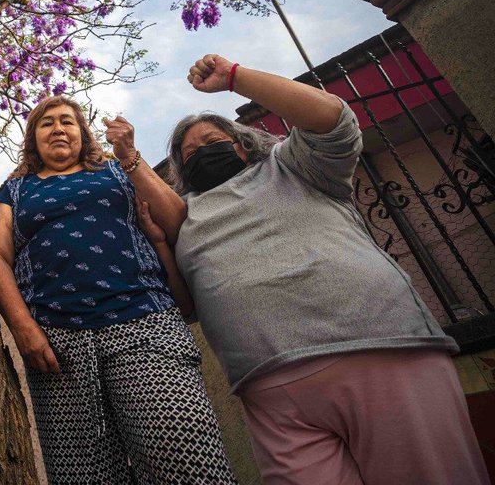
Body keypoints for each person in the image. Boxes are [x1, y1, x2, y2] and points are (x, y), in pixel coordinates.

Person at [160, 53, 487, 485]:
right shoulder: (187, 217)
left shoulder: (293, 167)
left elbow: (331, 118)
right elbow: (187, 301)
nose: (201, 153)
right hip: (269, 390)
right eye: (191, 154)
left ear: (240, 145)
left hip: (378, 348)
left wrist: (235, 77)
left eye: (210, 141)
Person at [0, 96, 234, 484]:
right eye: (46, 123)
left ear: (83, 134)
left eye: (67, 121)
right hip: (56, 346)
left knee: (186, 459)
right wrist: (22, 328)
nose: (57, 128)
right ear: (33, 139)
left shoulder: (118, 172)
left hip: (146, 325)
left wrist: (131, 155)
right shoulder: (15, 192)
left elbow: (175, 221)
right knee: (84, 475)